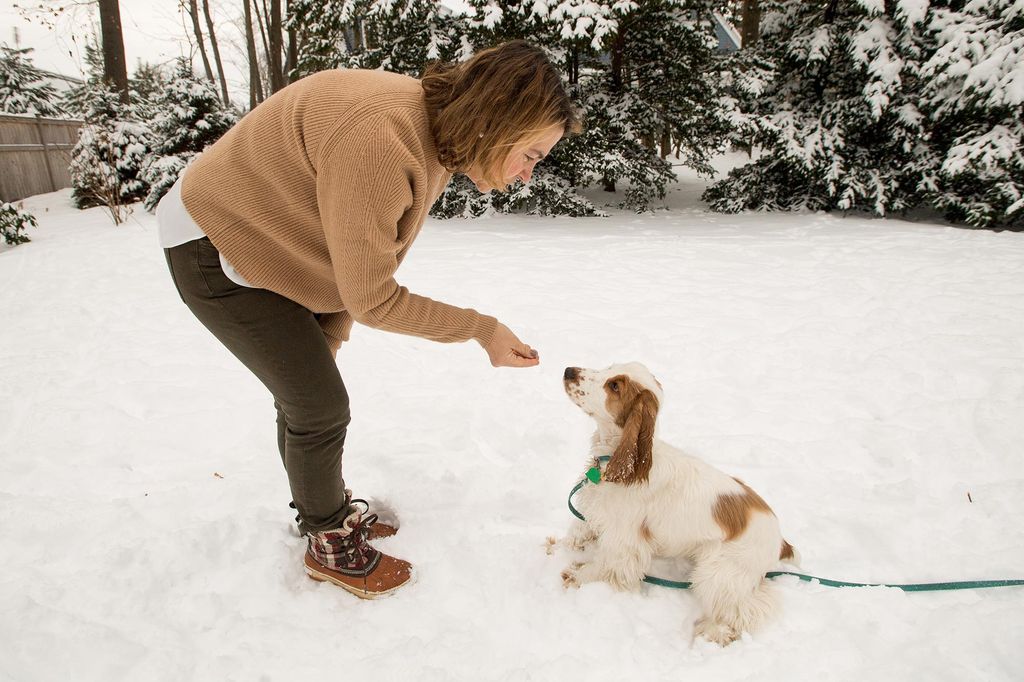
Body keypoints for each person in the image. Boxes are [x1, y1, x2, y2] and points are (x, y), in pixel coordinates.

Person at [157, 40, 579, 599]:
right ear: (496, 123)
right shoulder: (381, 137)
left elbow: (351, 260)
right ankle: (327, 535)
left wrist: (323, 338)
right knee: (318, 405)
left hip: (277, 241)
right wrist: (482, 328)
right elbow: (373, 296)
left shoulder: (432, 139)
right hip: (218, 243)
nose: (527, 174)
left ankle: (320, 510)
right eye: (532, 155)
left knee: (312, 396)